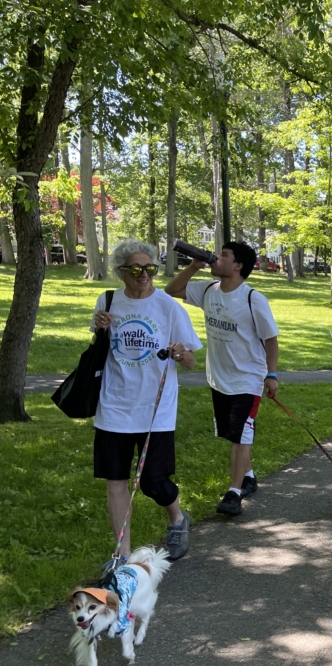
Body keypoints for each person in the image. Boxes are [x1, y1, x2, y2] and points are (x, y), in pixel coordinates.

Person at [91, 240, 201, 563]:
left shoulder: (168, 307)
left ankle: (177, 518)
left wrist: (180, 354)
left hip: (156, 409)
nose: (144, 275)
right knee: (115, 481)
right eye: (136, 269)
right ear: (121, 271)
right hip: (114, 405)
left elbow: (191, 360)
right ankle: (123, 556)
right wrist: (99, 329)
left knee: (153, 481)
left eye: (149, 268)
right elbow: (99, 347)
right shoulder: (108, 300)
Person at [165, 242, 279, 516]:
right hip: (218, 378)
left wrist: (271, 374)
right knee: (233, 433)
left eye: (224, 255)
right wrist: (194, 266)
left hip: (248, 378)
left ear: (238, 266)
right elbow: (172, 290)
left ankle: (234, 493)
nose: (216, 258)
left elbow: (271, 339)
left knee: (241, 434)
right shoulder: (208, 290)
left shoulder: (253, 299)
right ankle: (248, 476)